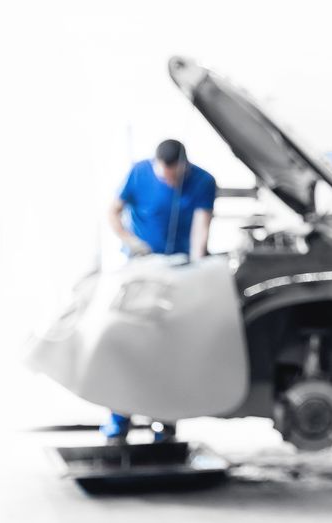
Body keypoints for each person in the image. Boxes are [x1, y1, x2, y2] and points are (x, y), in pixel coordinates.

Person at [100, 139, 216, 443]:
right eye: (165, 175)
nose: (170, 180)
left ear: (185, 165)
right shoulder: (138, 174)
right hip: (140, 270)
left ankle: (164, 420)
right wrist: (131, 241)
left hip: (178, 272)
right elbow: (113, 212)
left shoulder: (203, 181)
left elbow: (201, 229)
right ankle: (118, 417)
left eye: (175, 176)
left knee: (170, 348)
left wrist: (197, 267)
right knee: (128, 344)